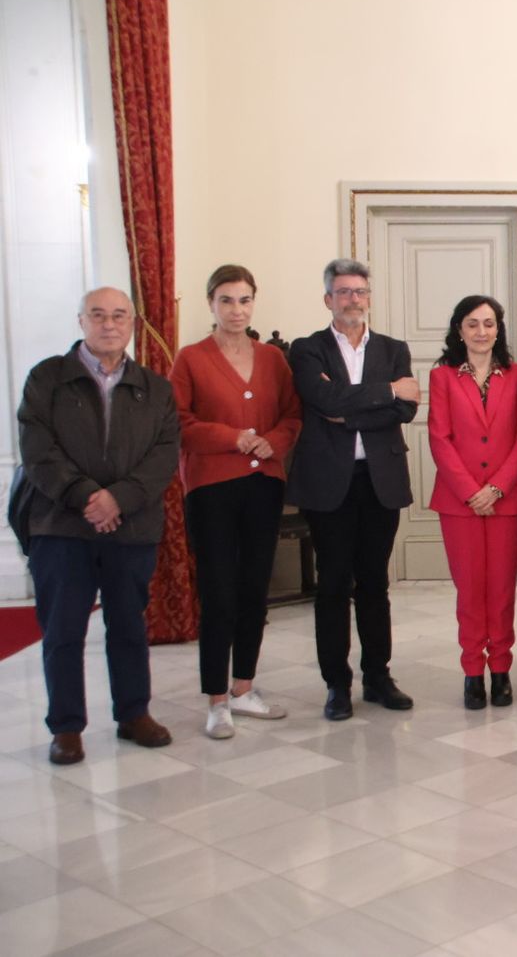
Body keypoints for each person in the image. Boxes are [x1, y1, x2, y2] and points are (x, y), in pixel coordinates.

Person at [18, 287, 179, 765]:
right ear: (81, 321)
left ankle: (134, 714)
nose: (109, 324)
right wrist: (88, 497)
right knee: (63, 630)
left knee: (129, 626)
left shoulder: (156, 387)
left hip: (131, 526)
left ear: (132, 323)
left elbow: (162, 457)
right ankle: (66, 727)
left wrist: (118, 499)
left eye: (118, 316)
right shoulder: (47, 379)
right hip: (61, 525)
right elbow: (38, 451)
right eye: (98, 315)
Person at [170, 265, 302, 738]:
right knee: (220, 591)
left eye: (244, 300)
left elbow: (291, 415)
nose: (236, 309)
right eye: (227, 300)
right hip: (212, 489)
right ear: (211, 303)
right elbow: (179, 423)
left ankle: (244, 687)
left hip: (264, 485)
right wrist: (236, 437)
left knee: (253, 591)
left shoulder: (272, 358)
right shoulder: (191, 358)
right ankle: (217, 700)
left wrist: (275, 441)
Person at [286, 259, 420, 721]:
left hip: (379, 481)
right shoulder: (308, 350)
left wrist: (351, 408)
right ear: (328, 299)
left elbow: (406, 411)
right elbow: (323, 401)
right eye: (343, 292)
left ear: (369, 298)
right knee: (333, 585)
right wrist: (387, 391)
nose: (352, 299)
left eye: (359, 291)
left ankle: (378, 677)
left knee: (375, 584)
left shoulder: (393, 348)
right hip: (329, 485)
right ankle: (336, 684)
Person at [428, 295, 517, 710]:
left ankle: (501, 670)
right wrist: (472, 490)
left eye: (489, 324)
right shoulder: (443, 377)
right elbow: (439, 438)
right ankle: (473, 672)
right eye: (473, 324)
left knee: (502, 589)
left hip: (506, 501)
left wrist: (499, 486)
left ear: (499, 330)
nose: (482, 332)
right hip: (459, 503)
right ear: (459, 330)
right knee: (470, 590)